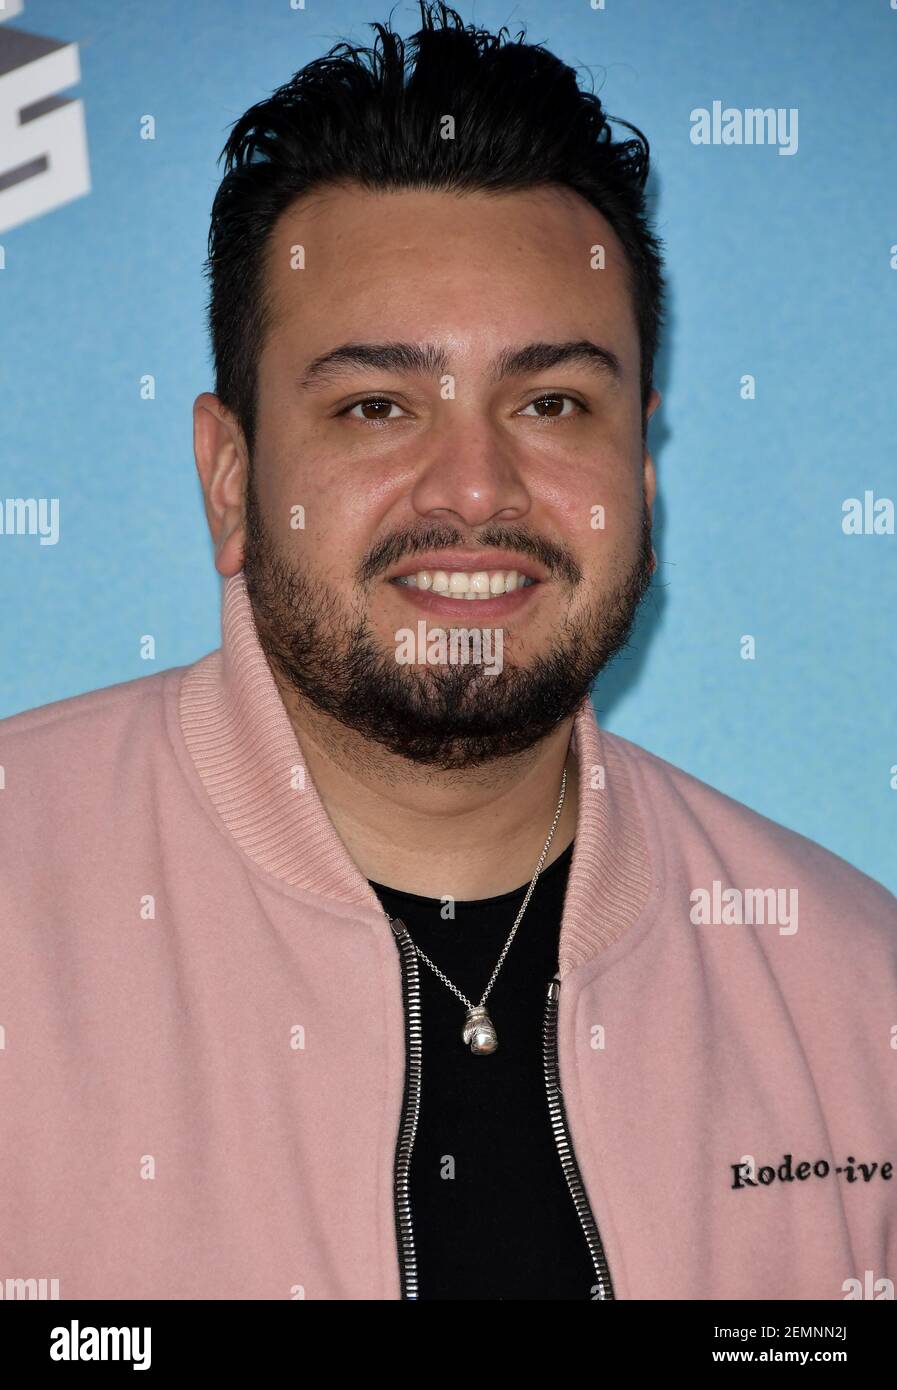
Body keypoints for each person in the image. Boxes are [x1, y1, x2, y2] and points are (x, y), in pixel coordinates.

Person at [1, 2, 894, 1302]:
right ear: (229, 478)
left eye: (549, 401)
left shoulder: (854, 997)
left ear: (639, 468)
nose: (473, 488)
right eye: (376, 404)